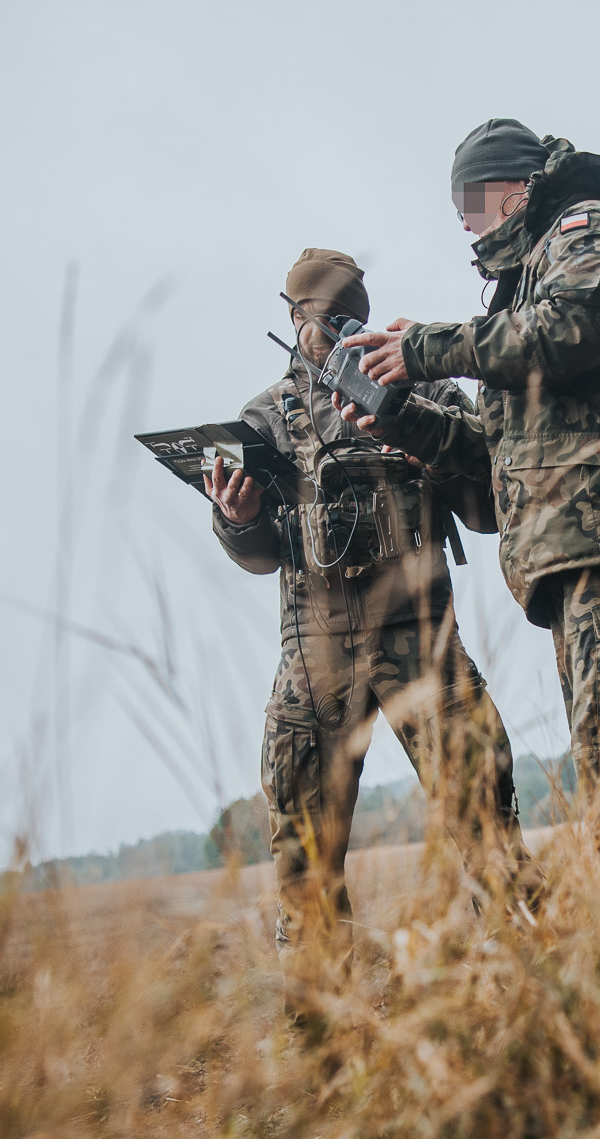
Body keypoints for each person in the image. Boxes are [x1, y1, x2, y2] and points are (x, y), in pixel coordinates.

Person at [337, 120, 600, 830]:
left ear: (511, 186)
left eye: (469, 206)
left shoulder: (589, 228)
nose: (466, 227)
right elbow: (498, 475)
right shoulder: (517, 306)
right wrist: (402, 420)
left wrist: (426, 348)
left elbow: (568, 328)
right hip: (587, 568)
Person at [207, 248, 519, 955]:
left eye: (351, 317)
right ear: (292, 318)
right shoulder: (264, 418)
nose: (335, 330)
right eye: (321, 318)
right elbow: (255, 553)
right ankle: (321, 1010)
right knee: (304, 866)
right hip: (315, 659)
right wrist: (237, 518)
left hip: (423, 645)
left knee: (488, 828)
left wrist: (425, 440)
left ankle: (530, 984)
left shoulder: (420, 389)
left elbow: (487, 504)